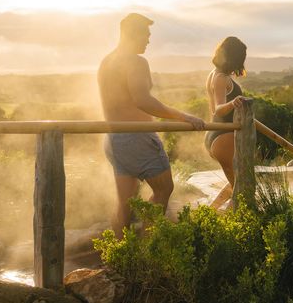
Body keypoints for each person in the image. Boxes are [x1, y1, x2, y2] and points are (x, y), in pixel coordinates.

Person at [98, 12, 205, 237]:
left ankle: (121, 254)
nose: (148, 40)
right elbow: (142, 100)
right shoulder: (135, 61)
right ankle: (149, 248)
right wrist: (182, 116)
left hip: (114, 139)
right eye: (145, 35)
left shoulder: (107, 61)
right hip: (137, 138)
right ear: (133, 34)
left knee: (125, 203)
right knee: (164, 189)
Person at [204, 36, 248, 208]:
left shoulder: (213, 74)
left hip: (215, 135)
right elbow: (218, 108)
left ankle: (211, 212)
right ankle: (230, 222)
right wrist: (234, 102)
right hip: (224, 137)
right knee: (242, 189)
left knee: (236, 185)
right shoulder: (221, 77)